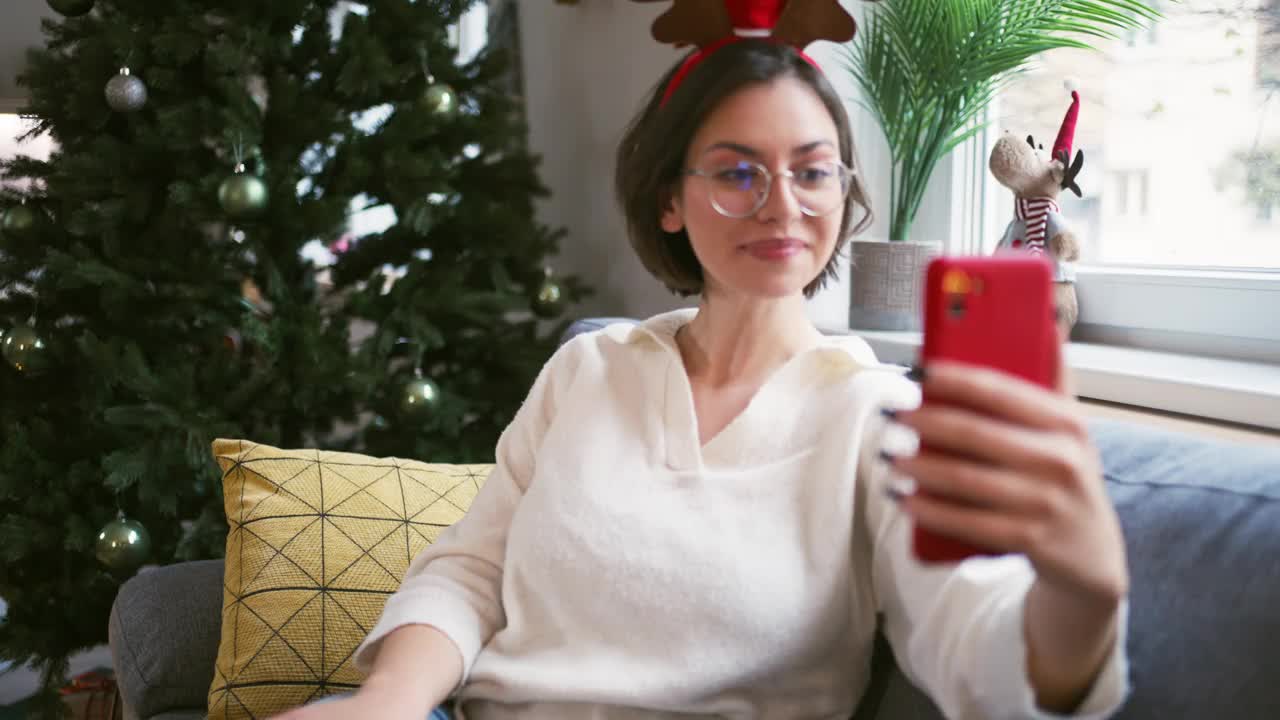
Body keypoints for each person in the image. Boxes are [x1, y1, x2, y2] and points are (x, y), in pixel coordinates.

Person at [277, 38, 1130, 720]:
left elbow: (980, 653)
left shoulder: (878, 417)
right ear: (668, 201)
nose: (782, 202)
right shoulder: (590, 369)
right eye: (736, 171)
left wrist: (1082, 595)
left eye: (812, 168)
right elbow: (468, 573)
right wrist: (382, 702)